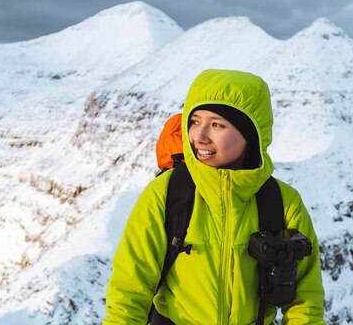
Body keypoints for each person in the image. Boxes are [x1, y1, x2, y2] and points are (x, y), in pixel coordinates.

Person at [103, 69, 325, 324]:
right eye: (194, 121)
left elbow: (305, 302)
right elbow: (128, 292)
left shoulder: (283, 202)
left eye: (217, 124)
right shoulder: (166, 194)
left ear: (251, 133)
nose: (199, 136)